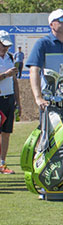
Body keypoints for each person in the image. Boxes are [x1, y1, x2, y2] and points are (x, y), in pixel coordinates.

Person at [0, 31, 20, 174]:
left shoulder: (10, 57)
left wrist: (18, 102)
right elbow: (8, 76)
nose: (5, 48)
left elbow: (14, 81)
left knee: (6, 132)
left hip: (9, 98)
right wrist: (6, 74)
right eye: (3, 45)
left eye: (7, 46)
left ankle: (2, 163)